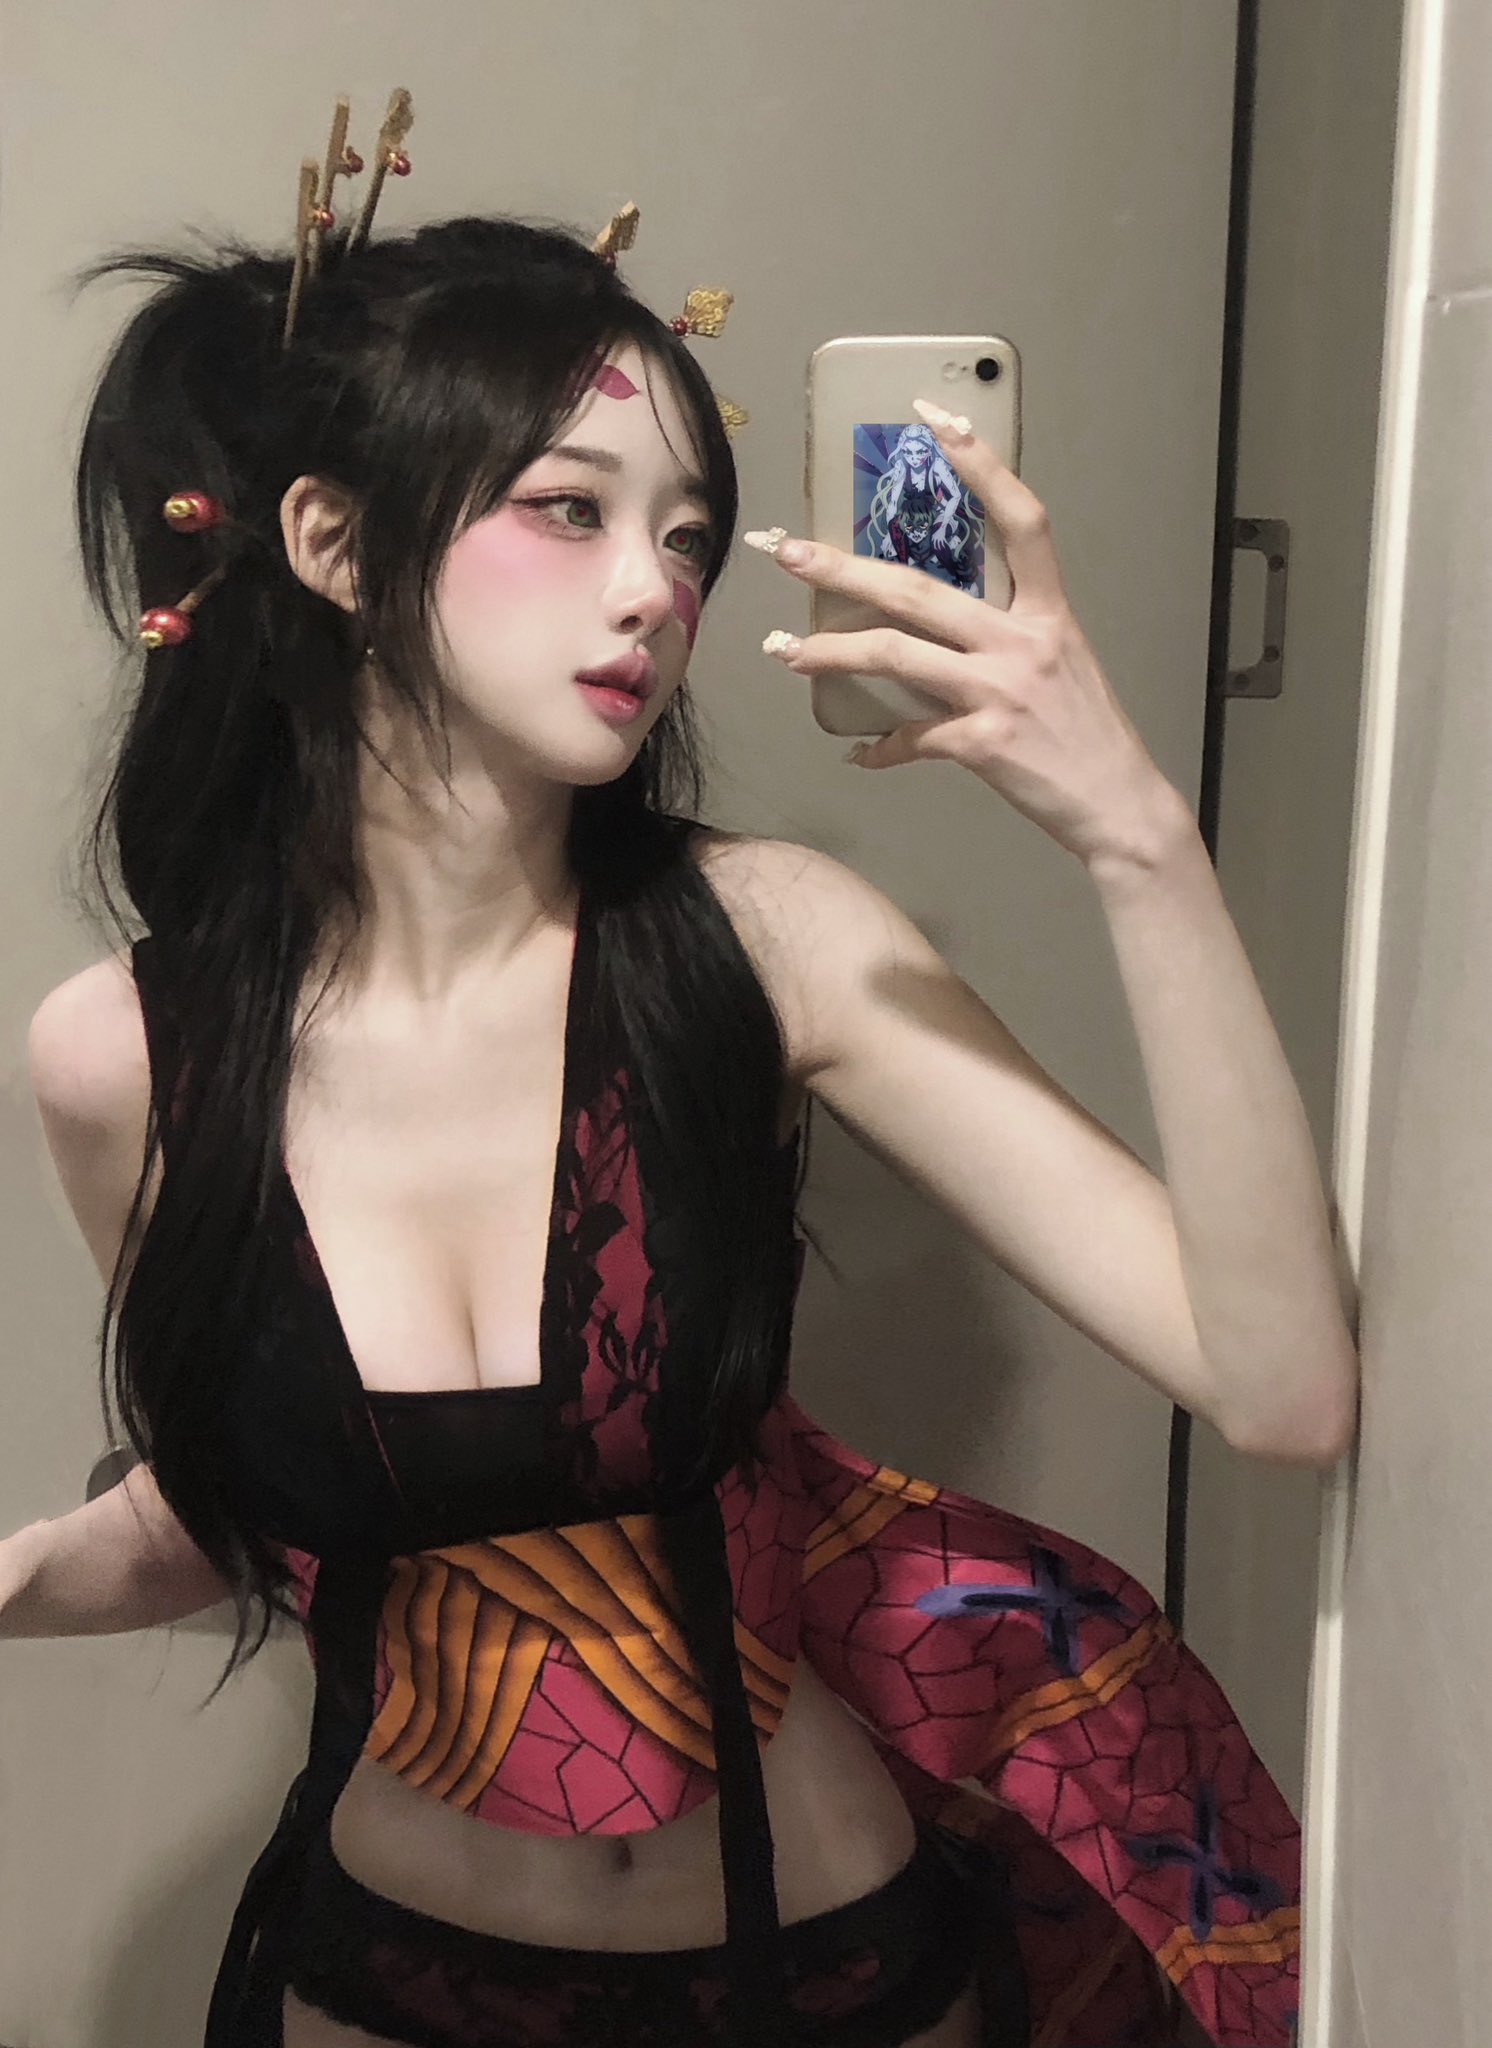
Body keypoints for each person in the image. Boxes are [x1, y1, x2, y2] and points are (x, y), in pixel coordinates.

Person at [4, 110, 1357, 2048]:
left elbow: (1283, 1388)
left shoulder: (759, 939)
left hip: (827, 1969)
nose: (652, 587)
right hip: (381, 1976)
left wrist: (1134, 835)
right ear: (333, 542)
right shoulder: (122, 1056)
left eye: (688, 533)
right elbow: (232, 1504)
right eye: (572, 508)